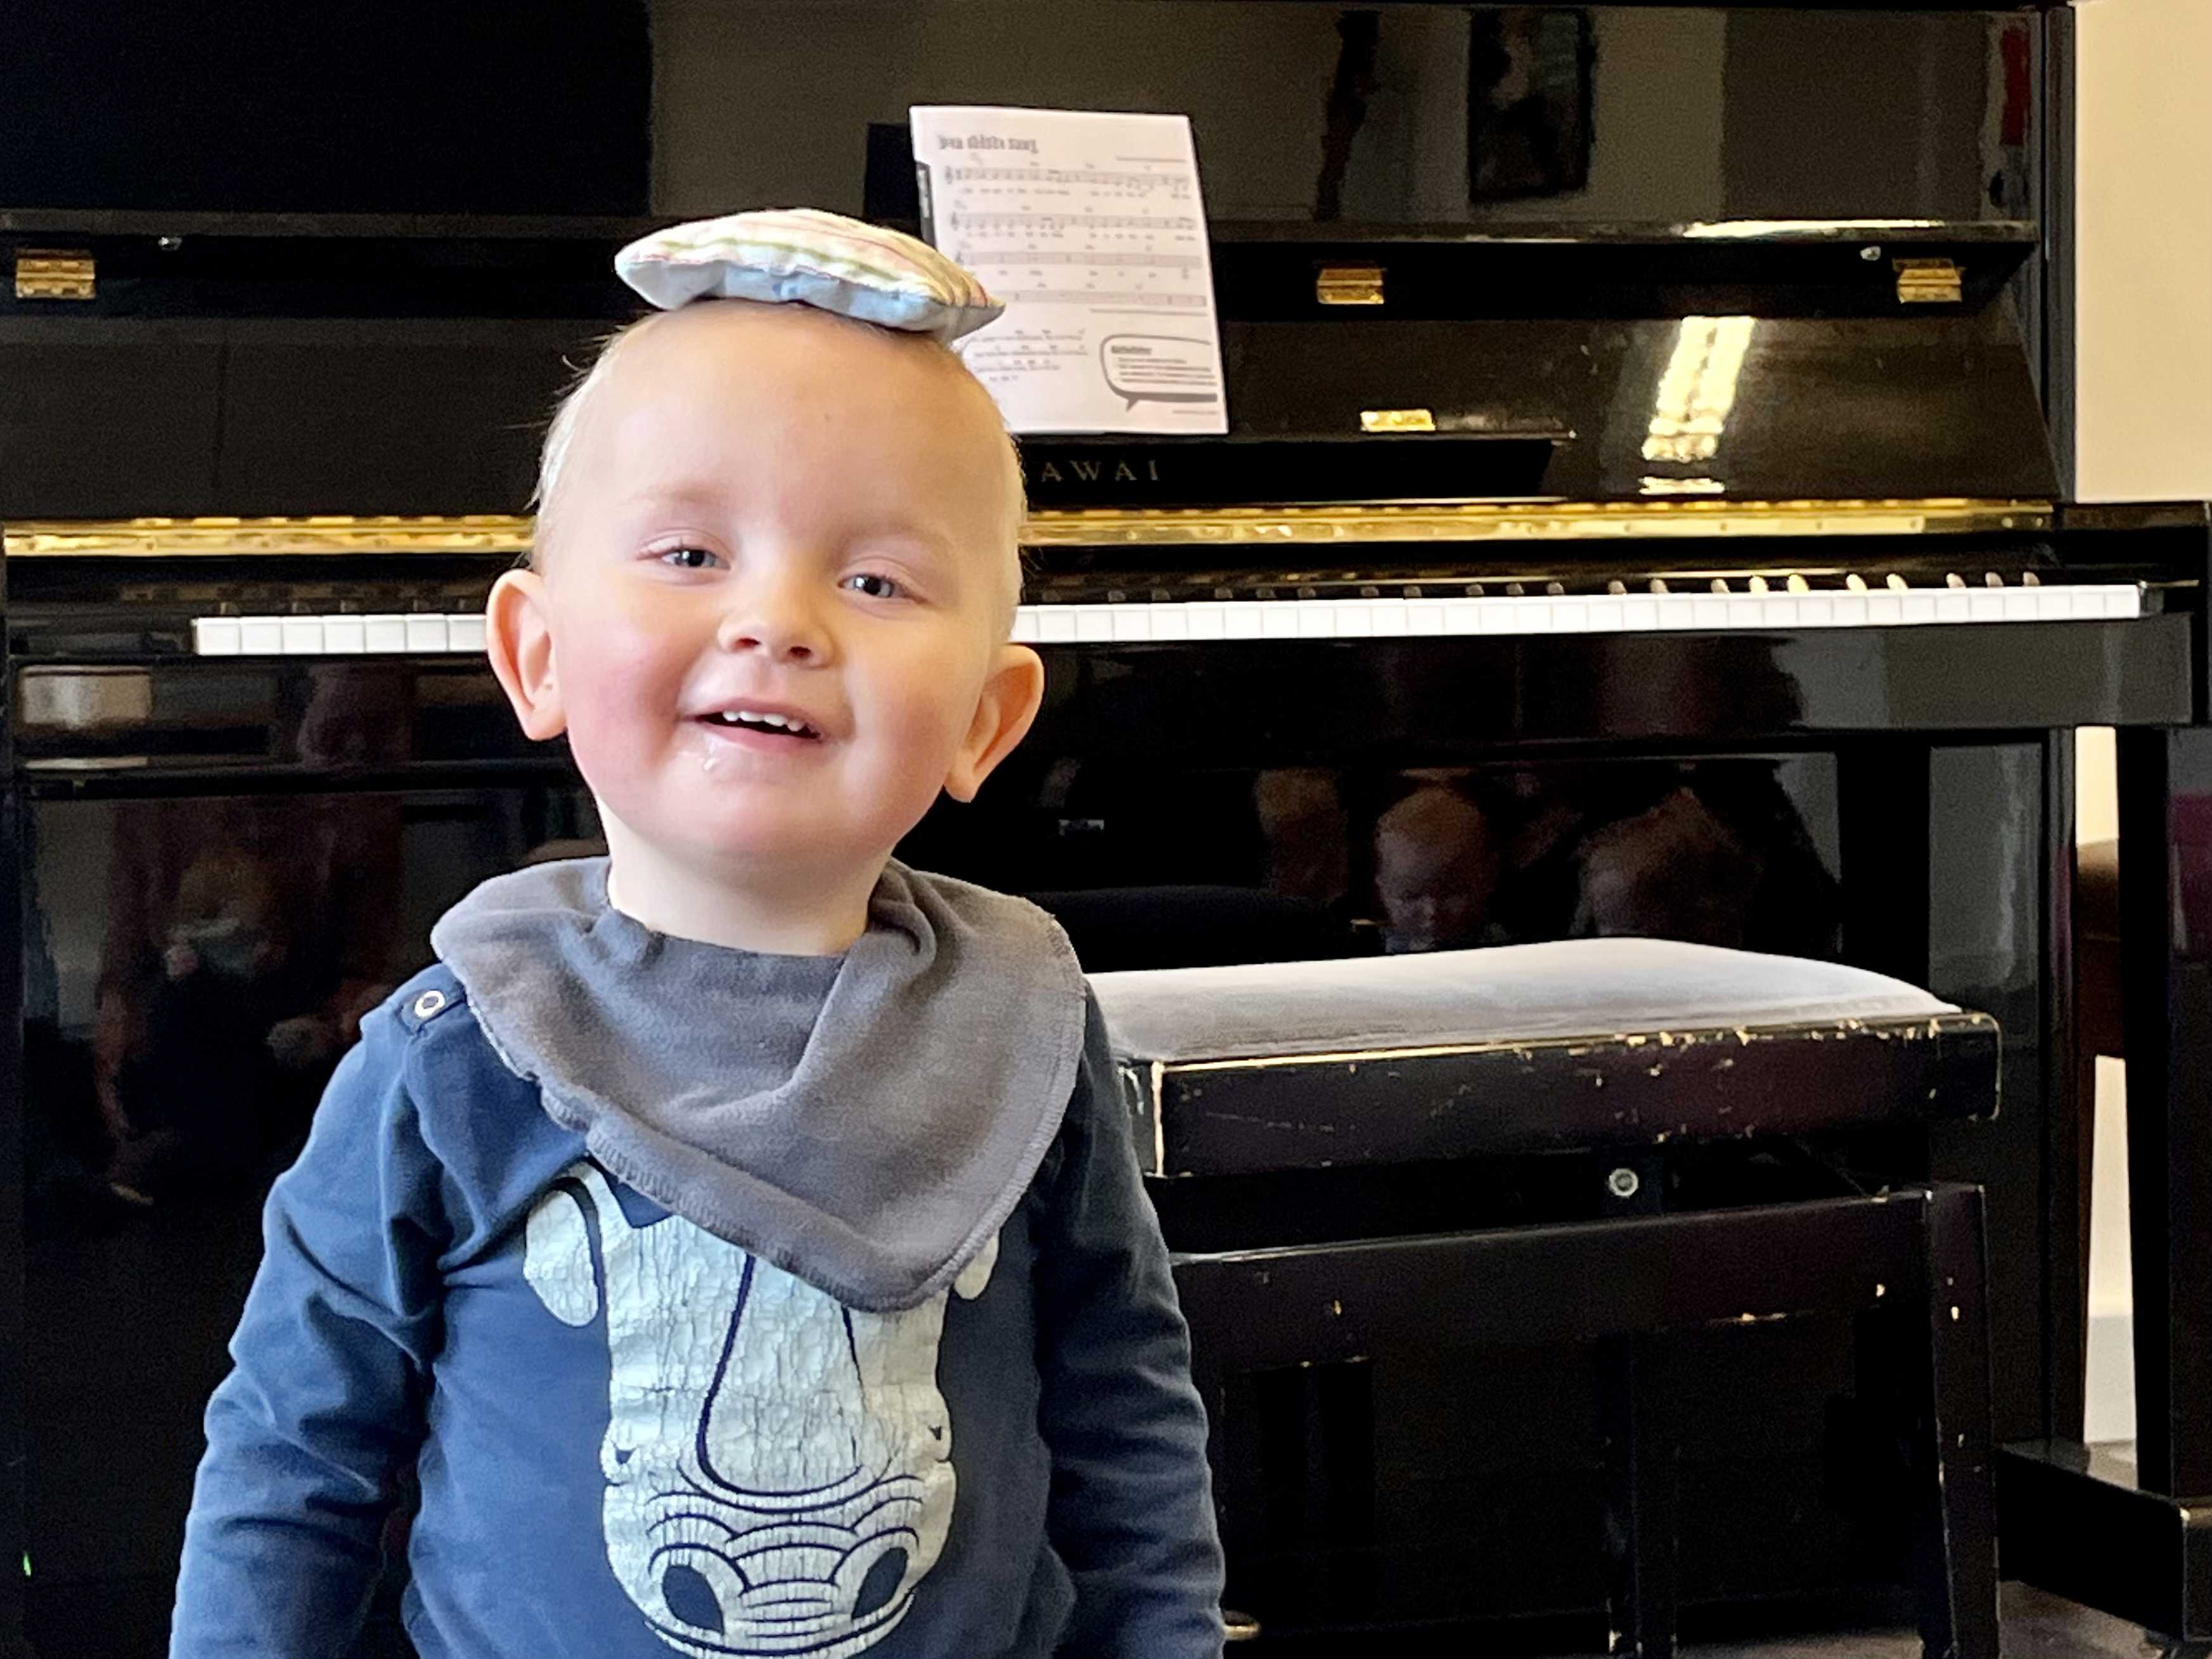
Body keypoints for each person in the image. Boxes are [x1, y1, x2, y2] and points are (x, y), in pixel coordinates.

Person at [170, 210, 1226, 1659]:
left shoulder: (1021, 1019)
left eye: (873, 580)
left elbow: (1124, 1412)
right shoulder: (452, 1050)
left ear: (986, 719)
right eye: (687, 551)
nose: (775, 620)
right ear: (537, 653)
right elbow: (295, 1453)